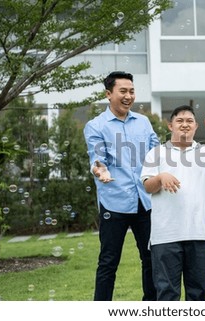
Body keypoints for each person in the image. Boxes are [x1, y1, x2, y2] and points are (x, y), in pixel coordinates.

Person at [84, 71, 159, 301]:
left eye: (132, 91)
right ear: (109, 94)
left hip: (144, 201)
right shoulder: (96, 125)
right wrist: (101, 171)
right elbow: (97, 158)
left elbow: (157, 153)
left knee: (151, 258)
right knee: (108, 261)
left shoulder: (144, 123)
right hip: (113, 202)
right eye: (123, 91)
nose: (129, 96)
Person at [141, 105, 205, 301]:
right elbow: (148, 187)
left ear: (196, 127)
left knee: (197, 294)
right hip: (165, 236)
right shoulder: (156, 153)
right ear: (170, 126)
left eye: (189, 121)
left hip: (199, 233)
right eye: (180, 121)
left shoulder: (204, 151)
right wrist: (161, 176)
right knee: (167, 295)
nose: (185, 124)